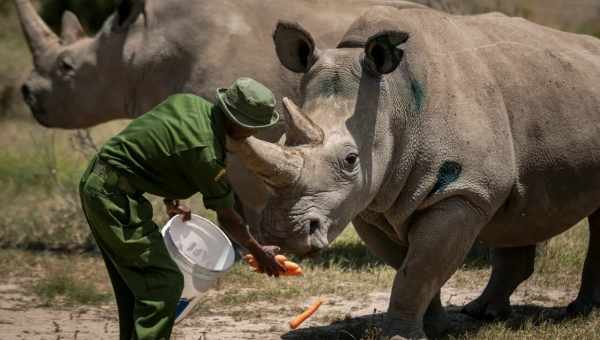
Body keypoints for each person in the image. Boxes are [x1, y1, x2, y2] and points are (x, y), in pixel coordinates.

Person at [79, 77, 286, 339]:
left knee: (135, 286)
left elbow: (156, 142)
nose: (252, 134)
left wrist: (169, 196)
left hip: (100, 181)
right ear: (238, 123)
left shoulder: (189, 104)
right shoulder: (207, 153)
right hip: (112, 197)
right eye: (252, 128)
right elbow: (227, 216)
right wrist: (258, 251)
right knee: (163, 284)